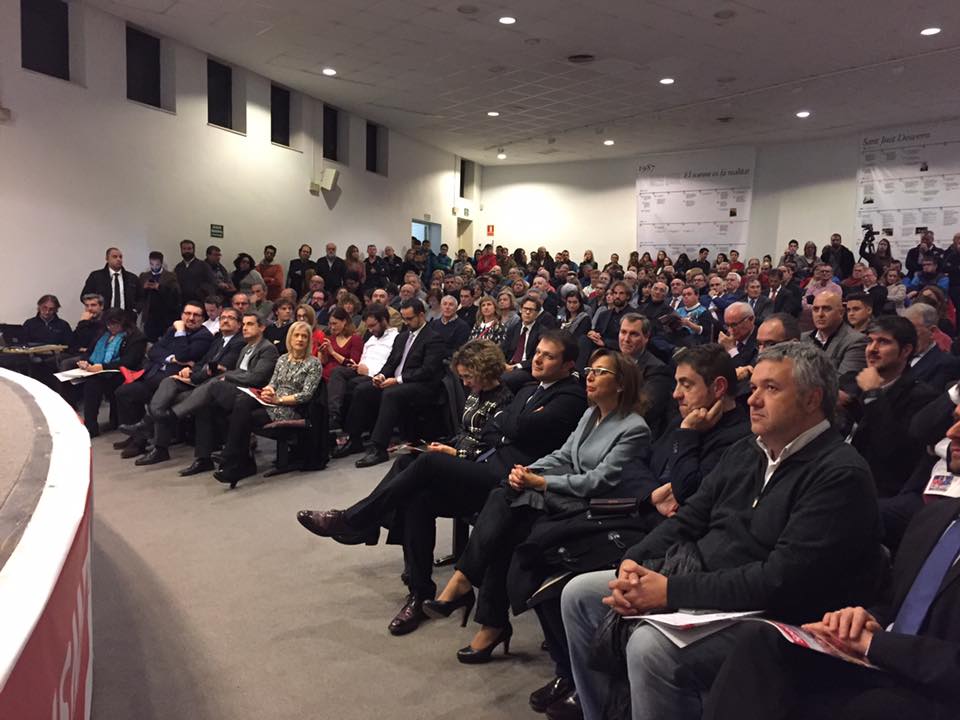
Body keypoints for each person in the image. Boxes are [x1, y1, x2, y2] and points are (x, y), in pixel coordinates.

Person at [561, 342, 884, 720]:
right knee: (579, 595)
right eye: (755, 387)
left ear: (812, 399)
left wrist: (669, 591)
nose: (753, 399)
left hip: (778, 618)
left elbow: (779, 581)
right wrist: (633, 562)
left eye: (771, 388)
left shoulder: (839, 473)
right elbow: (689, 518)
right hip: (708, 584)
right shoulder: (748, 450)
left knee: (650, 648)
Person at [297, 331, 587, 635]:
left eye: (548, 356)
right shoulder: (529, 390)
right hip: (489, 466)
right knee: (417, 494)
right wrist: (508, 429)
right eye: (537, 352)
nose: (538, 359)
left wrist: (507, 429)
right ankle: (419, 592)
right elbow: (497, 429)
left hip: (513, 480)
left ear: (568, 364)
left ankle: (357, 520)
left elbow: (510, 427)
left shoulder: (570, 396)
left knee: (428, 462)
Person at [515, 344, 751, 714]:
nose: (676, 394)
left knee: (556, 572)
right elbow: (641, 466)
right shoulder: (682, 418)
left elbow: (690, 494)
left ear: (719, 387)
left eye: (686, 384)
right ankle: (575, 681)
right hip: (641, 515)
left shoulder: (731, 437)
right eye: (676, 383)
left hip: (673, 541)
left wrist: (687, 438)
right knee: (536, 551)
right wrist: (654, 493)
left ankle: (586, 685)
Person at [426, 349, 650, 664]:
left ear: (622, 384)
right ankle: (485, 615)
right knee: (505, 519)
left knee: (503, 509)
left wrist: (542, 482)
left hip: (592, 508)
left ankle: (470, 592)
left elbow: (598, 481)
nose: (590, 377)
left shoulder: (634, 428)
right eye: (590, 371)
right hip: (564, 494)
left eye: (601, 372)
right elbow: (563, 455)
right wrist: (529, 470)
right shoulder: (591, 414)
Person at [705, 479, 960, 718]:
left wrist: (877, 644)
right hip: (881, 663)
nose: (950, 444)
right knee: (761, 639)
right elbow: (894, 602)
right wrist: (862, 620)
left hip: (935, 688)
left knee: (878, 707)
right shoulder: (932, 517)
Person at [850, 315, 939, 548]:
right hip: (850, 479)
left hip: (883, 497)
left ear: (906, 350)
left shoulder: (921, 396)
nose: (872, 349)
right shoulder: (861, 384)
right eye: (870, 341)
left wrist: (873, 396)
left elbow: (892, 454)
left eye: (883, 342)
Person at [201, 321, 321, 487]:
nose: (300, 339)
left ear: (309, 340)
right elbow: (273, 383)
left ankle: (234, 461)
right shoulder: (283, 359)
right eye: (297, 335)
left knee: (243, 416)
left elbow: (306, 395)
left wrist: (279, 400)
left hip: (290, 407)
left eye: (304, 336)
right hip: (272, 401)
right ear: (290, 338)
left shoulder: (313, 363)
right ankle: (235, 462)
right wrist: (268, 390)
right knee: (242, 401)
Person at [124, 308, 246, 465]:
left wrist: (195, 374)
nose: (225, 320)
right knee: (169, 382)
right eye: (223, 317)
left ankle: (153, 429)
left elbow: (217, 369)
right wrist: (191, 370)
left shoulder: (239, 342)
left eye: (231, 318)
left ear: (239, 325)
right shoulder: (218, 339)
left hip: (216, 386)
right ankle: (153, 431)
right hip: (200, 380)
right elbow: (202, 363)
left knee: (170, 400)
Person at [334, 298, 445, 468]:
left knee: (391, 394)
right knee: (363, 389)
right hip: (399, 381)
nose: (406, 323)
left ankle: (379, 448)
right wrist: (381, 376)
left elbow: (428, 370)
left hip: (422, 385)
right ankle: (354, 438)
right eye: (404, 318)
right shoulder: (402, 337)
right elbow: (391, 363)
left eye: (410, 319)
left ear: (421, 315)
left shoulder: (433, 337)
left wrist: (398, 380)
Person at [174, 312, 280, 477]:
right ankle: (203, 459)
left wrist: (228, 376)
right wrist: (229, 375)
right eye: (244, 324)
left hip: (253, 394)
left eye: (250, 324)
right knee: (205, 407)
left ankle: (175, 414)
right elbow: (239, 372)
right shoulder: (246, 348)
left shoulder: (267, 349)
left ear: (261, 327)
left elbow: (256, 378)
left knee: (215, 384)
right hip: (237, 390)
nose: (244, 328)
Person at [112, 301, 214, 457]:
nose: (191, 318)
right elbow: (153, 351)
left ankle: (140, 442)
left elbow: (183, 355)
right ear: (182, 315)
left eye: (196, 315)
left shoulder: (203, 336)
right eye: (187, 314)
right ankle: (136, 435)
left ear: (202, 319)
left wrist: (181, 332)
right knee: (124, 392)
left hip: (174, 381)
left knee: (155, 396)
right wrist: (171, 358)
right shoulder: (172, 330)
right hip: (154, 375)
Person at [76, 309, 146, 437]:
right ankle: (90, 425)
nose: (110, 327)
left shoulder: (135, 337)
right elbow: (89, 352)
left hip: (123, 373)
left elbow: (129, 361)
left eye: (114, 324)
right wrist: (84, 361)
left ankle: (103, 423)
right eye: (108, 324)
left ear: (123, 322)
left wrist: (103, 367)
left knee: (96, 383)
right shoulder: (103, 334)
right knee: (91, 383)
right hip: (100, 371)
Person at [804, 291, 868, 393]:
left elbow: (842, 386)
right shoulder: (803, 338)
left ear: (841, 312)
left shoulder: (857, 341)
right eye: (815, 309)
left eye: (826, 309)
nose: (820, 314)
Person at [501, 295, 558, 393]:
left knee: (506, 378)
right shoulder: (514, 328)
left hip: (527, 368)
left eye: (531, 310)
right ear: (520, 310)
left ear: (537, 313)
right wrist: (503, 364)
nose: (527, 312)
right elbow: (504, 349)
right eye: (525, 309)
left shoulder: (542, 332)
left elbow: (538, 358)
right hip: (508, 365)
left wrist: (516, 366)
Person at [903, 303, 960, 390]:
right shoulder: (897, 356)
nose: (906, 337)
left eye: (912, 331)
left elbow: (931, 396)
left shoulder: (946, 363)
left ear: (932, 331)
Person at [138, 251, 181, 342]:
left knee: (167, 339)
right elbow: (139, 295)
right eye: (152, 264)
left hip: (166, 314)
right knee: (150, 339)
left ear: (161, 263)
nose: (154, 267)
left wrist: (159, 287)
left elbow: (175, 294)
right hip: (150, 314)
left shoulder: (170, 276)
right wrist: (144, 288)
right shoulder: (144, 276)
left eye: (157, 264)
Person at [81, 247, 140, 312]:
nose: (118, 259)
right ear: (107, 258)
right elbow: (85, 296)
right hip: (102, 315)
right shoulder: (96, 276)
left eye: (120, 257)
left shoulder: (132, 278)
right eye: (115, 257)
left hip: (126, 316)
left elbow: (141, 298)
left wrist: (136, 310)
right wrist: (94, 308)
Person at [319, 306, 363, 381]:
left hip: (341, 377)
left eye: (335, 323)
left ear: (344, 322)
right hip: (324, 375)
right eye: (330, 324)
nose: (332, 327)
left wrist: (333, 352)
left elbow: (352, 364)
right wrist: (322, 353)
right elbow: (324, 362)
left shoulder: (355, 339)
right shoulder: (331, 339)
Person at [174, 239, 216, 304]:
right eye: (184, 249)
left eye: (189, 249)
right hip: (182, 303)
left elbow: (211, 283)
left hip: (199, 302)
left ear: (193, 250)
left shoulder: (203, 265)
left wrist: (200, 292)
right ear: (181, 250)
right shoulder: (178, 267)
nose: (187, 251)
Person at [718, 301, 758, 369]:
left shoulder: (761, 341)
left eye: (734, 325)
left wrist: (731, 349)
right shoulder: (726, 338)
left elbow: (745, 372)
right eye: (727, 325)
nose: (730, 330)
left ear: (751, 319)